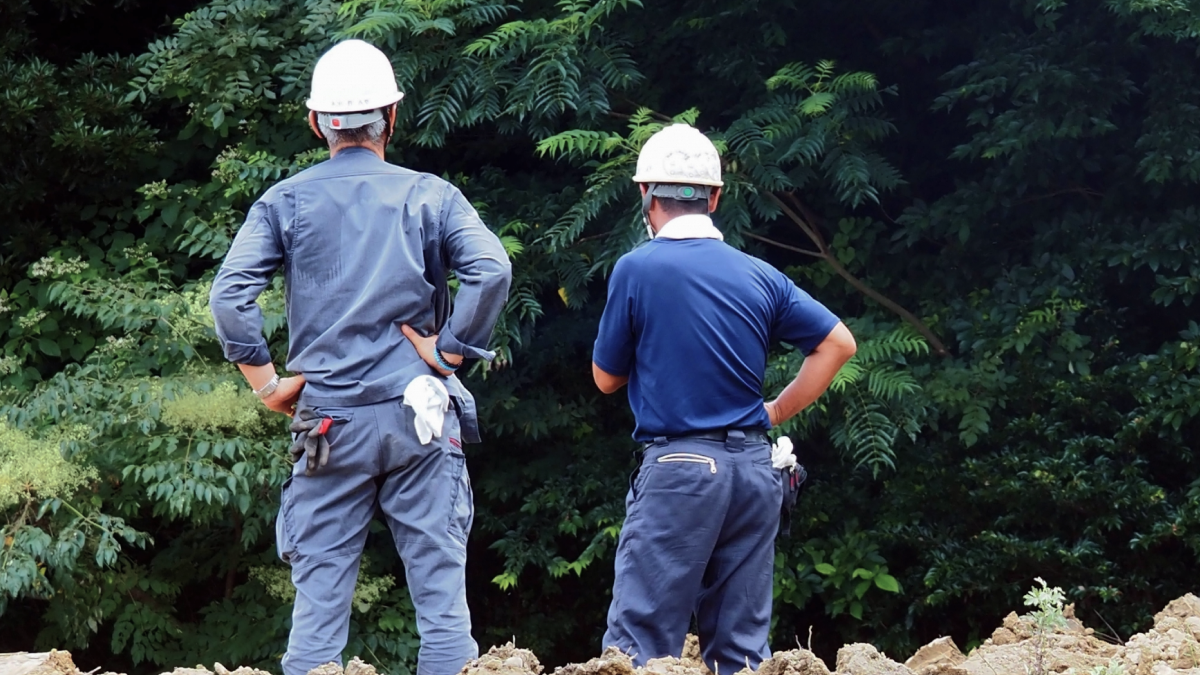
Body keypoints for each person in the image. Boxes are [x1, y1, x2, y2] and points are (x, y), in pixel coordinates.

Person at [208, 39, 512, 675]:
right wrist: (449, 351)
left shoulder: (284, 202)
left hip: (327, 425)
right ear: (391, 118)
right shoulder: (431, 195)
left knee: (317, 614)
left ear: (318, 122)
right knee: (440, 600)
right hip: (419, 417)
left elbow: (231, 298)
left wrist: (268, 385)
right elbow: (490, 270)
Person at [593, 124, 857, 674]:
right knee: (739, 653)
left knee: (639, 647)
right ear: (714, 197)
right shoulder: (758, 274)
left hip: (681, 469)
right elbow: (838, 344)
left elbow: (605, 378)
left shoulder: (637, 269)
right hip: (756, 472)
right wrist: (777, 411)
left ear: (646, 195)